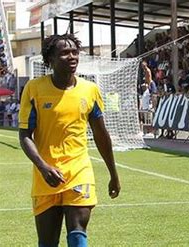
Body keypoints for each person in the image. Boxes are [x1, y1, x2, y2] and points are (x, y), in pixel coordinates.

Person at [18, 34, 121, 247]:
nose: (72, 56)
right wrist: (43, 167)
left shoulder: (90, 90)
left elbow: (102, 135)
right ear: (50, 60)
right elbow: (25, 135)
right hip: (46, 174)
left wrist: (113, 174)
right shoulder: (34, 89)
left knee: (77, 230)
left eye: (75, 52)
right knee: (48, 241)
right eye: (64, 53)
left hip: (79, 171)